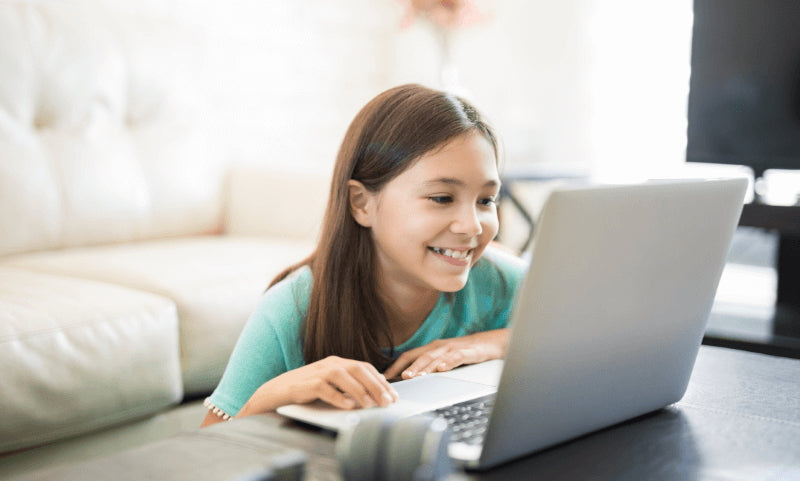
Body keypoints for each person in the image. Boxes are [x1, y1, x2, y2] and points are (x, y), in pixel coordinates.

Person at [201, 84, 526, 427]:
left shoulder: (504, 281)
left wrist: (492, 343)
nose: (471, 226)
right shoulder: (294, 307)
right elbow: (209, 452)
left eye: (486, 200)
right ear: (361, 203)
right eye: (442, 198)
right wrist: (276, 393)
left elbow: (586, 337)